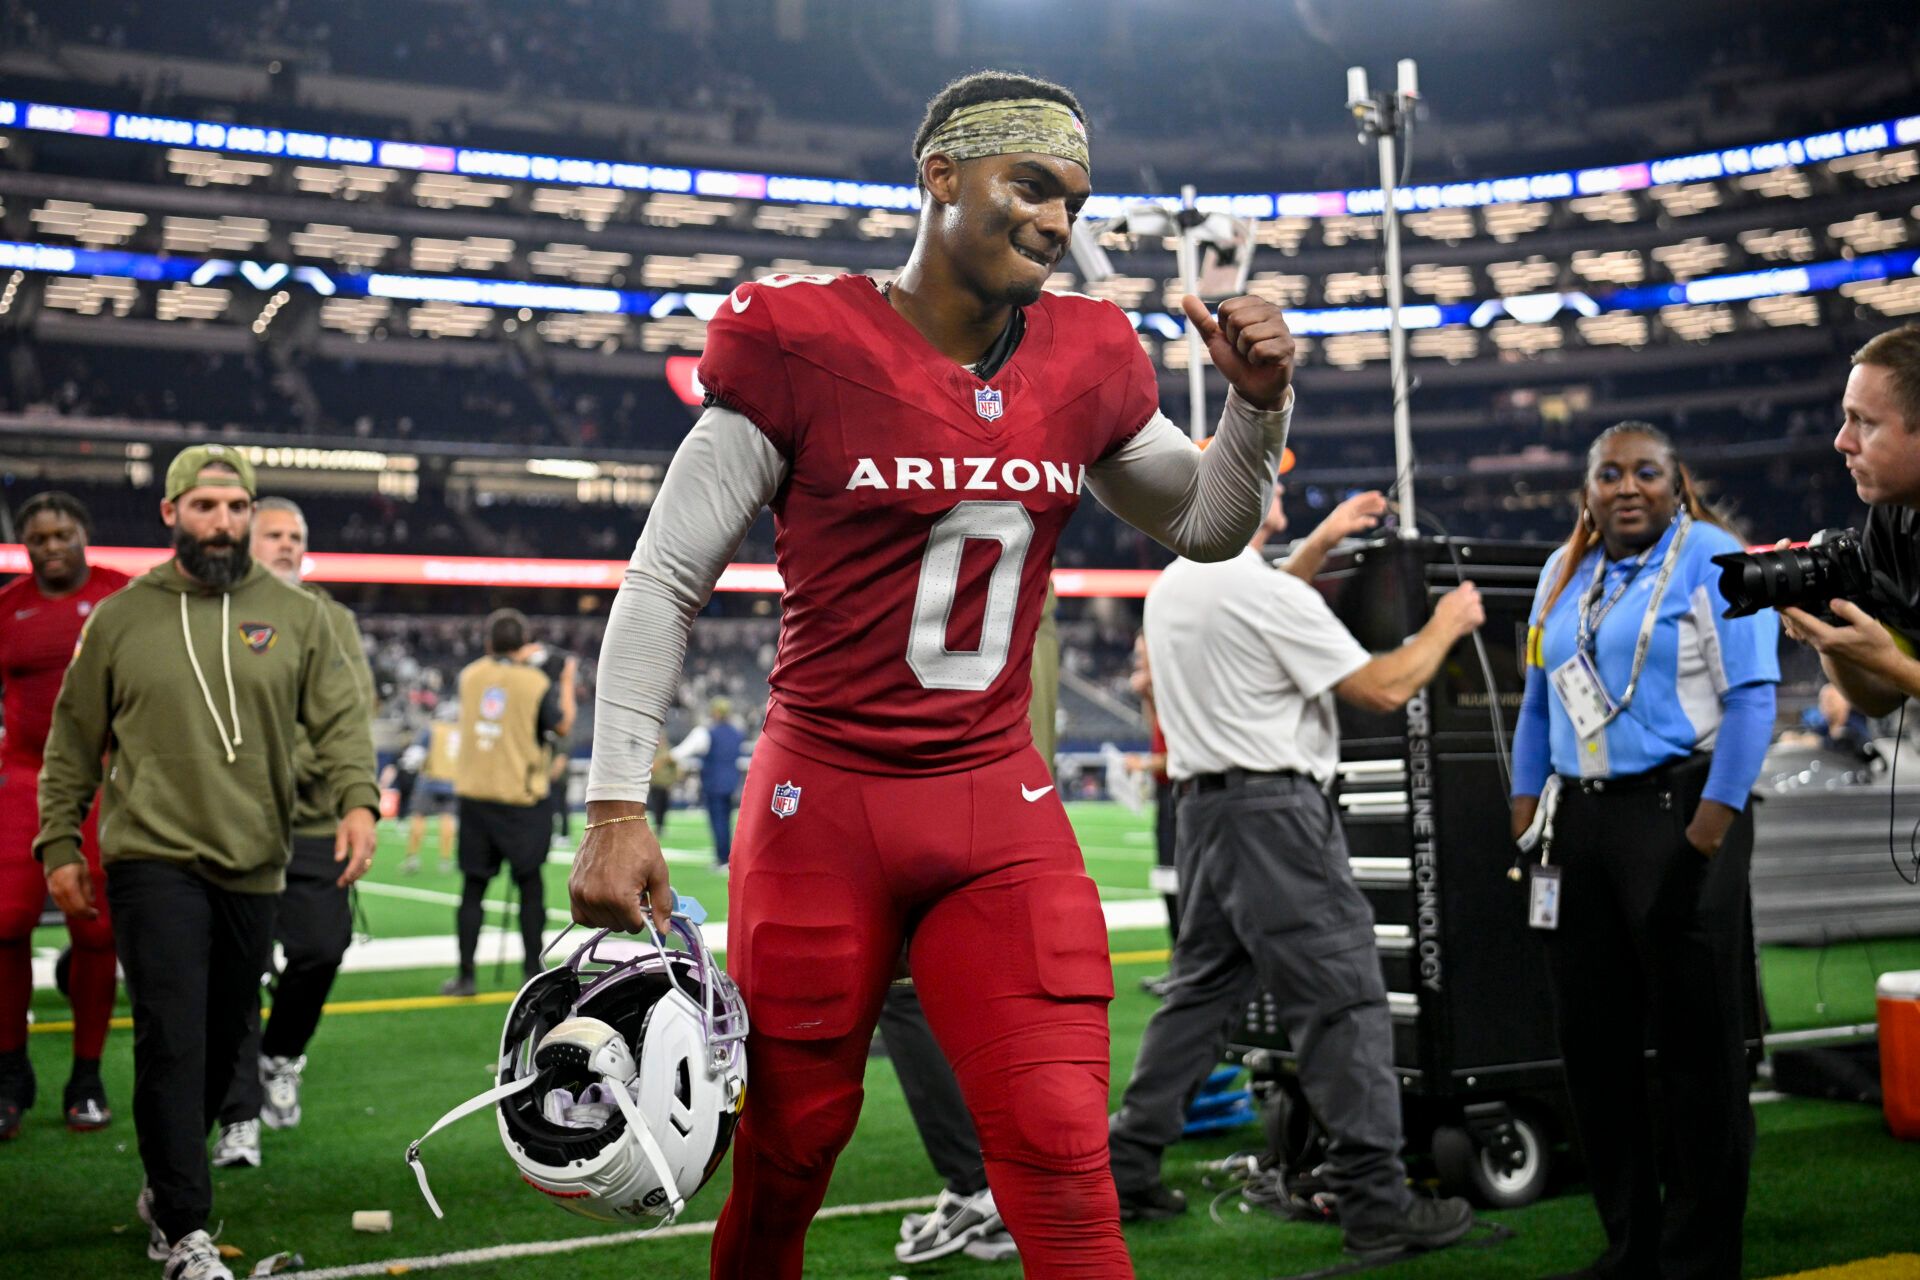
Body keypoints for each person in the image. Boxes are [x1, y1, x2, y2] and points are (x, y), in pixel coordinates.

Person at [571, 70, 1295, 1280]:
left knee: (1064, 1146)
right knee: (793, 1148)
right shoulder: (803, 339)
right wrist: (611, 804)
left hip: (992, 795)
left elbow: (1211, 523)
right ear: (939, 176)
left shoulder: (1087, 354)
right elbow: (664, 580)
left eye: (1073, 197)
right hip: (824, 799)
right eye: (1030, 185)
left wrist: (1256, 408)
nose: (1058, 221)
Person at [1112, 483, 1481, 1262]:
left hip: (1206, 818)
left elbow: (1259, 594)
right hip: (1275, 817)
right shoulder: (1257, 591)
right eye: (1269, 498)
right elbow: (1382, 687)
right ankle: (1378, 1207)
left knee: (1200, 998)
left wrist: (1322, 539)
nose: (1279, 514)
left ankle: (1127, 1163)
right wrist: (1448, 624)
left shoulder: (1179, 581)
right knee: (1342, 1003)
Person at [34, 445, 378, 1280]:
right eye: (205, 508)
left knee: (226, 1040)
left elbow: (338, 718)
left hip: (254, 857)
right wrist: (59, 840)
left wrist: (358, 799)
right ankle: (183, 1230)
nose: (221, 524)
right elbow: (73, 741)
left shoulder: (297, 616)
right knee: (173, 1033)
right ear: (171, 515)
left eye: (234, 510)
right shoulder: (119, 617)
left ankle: (165, 1180)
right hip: (151, 856)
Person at [1509, 422, 1779, 1280]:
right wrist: (1526, 813)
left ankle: (1699, 1260)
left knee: (1700, 1052)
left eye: (1647, 473)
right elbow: (1538, 705)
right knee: (1594, 1048)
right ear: (1587, 489)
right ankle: (1630, 1247)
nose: (1628, 488)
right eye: (1610, 474)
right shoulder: (1563, 572)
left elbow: (1752, 702)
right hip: (1579, 825)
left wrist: (1705, 835)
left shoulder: (1713, 555)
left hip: (1679, 816)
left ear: (1677, 483)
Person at [880, 588, 1061, 1267]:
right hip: (1020, 809)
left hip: (954, 799)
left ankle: (979, 1186)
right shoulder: (1033, 595)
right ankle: (1019, 1185)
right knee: (1006, 1009)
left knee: (904, 993)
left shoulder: (958, 578)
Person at [211, 497, 378, 1169]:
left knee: (321, 947)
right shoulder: (214, 611)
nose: (285, 545)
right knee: (233, 973)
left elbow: (351, 716)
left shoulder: (330, 618)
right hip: (230, 825)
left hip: (310, 822)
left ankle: (282, 1056)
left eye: (295, 536)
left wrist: (280, 762)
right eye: (272, 535)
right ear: (246, 544)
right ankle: (237, 1116)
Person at [0, 492, 128, 1137]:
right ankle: (10, 1071)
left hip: (102, 776)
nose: (51, 546)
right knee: (4, 922)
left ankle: (86, 1074)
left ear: (84, 535)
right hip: (23, 774)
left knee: (96, 933)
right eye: (39, 537)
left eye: (63, 534)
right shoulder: (8, 607)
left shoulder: (120, 596)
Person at [1780, 323, 1920, 709]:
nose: (1842, 441)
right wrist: (1829, 628)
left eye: (1865, 422)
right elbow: (1880, 698)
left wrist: (1896, 665)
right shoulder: (1894, 515)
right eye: (1846, 418)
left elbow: (1898, 671)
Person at [442, 609, 563, 997]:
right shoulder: (535, 681)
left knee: (472, 889)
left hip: (476, 796)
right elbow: (558, 725)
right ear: (524, 643)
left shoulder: (470, 675)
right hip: (521, 799)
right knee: (530, 887)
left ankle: (465, 975)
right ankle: (531, 972)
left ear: (489, 643)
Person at [670, 696, 745, 867]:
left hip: (714, 783)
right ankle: (728, 857)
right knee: (727, 821)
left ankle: (722, 859)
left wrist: (667, 758)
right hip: (732, 783)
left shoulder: (707, 732)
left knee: (718, 821)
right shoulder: (737, 733)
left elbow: (682, 752)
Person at [401, 708, 460, 875]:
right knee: (448, 821)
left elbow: (415, 755)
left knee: (418, 817)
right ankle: (445, 860)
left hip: (430, 780)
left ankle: (412, 858)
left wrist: (407, 765)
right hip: (452, 782)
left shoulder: (433, 729)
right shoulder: (460, 731)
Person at [1776, 683, 1875, 763]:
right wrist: (1796, 738)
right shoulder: (1824, 728)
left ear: (1846, 702)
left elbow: (1854, 746)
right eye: (1822, 701)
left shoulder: (1856, 727)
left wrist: (1821, 743)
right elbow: (1812, 736)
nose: (1826, 705)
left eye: (1831, 700)